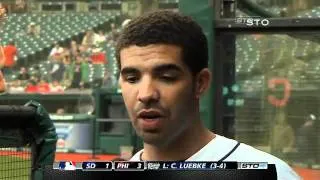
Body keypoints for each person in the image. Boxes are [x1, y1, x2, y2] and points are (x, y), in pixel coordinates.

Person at [116, 10, 300, 179]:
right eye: (132, 78)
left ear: (200, 83)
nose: (146, 94)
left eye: (166, 77)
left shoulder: (271, 174)